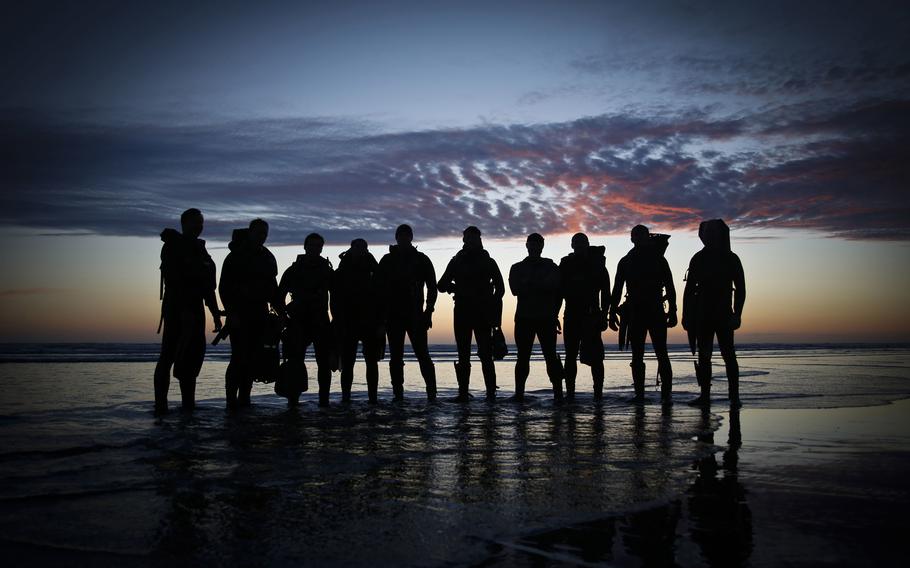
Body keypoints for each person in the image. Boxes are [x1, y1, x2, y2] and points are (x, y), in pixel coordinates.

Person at [154, 208, 222, 414]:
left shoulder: (201, 250)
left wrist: (215, 312)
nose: (198, 226)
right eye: (195, 222)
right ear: (184, 223)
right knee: (168, 355)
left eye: (201, 223)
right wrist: (184, 310)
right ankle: (161, 405)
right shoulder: (172, 246)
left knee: (192, 358)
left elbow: (208, 287)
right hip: (177, 308)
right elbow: (172, 279)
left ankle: (188, 405)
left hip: (196, 307)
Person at [609, 225, 677, 404]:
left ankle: (666, 395)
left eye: (642, 236)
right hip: (635, 312)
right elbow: (617, 289)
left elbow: (670, 286)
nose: (638, 239)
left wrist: (673, 310)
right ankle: (639, 395)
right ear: (631, 239)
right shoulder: (626, 261)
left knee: (661, 352)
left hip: (655, 310)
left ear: (647, 238)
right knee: (637, 355)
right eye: (635, 236)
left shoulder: (659, 260)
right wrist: (611, 312)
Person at [683, 219, 745, 407]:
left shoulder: (731, 258)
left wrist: (737, 314)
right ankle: (705, 395)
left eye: (711, 232)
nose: (707, 235)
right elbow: (688, 290)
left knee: (729, 355)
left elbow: (741, 288)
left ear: (719, 234)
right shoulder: (697, 258)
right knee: (704, 355)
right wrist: (686, 316)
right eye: (705, 232)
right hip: (702, 313)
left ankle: (734, 397)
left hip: (724, 313)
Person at [438, 226, 505, 401]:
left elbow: (501, 288)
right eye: (468, 238)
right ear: (464, 240)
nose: (471, 242)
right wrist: (455, 289)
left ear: (479, 240)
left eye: (474, 238)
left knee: (485, 354)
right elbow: (441, 284)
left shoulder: (488, 261)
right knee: (463, 354)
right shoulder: (457, 261)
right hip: (462, 312)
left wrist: (492, 305)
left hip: (482, 313)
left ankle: (490, 393)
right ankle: (463, 393)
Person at [219, 218, 279, 409]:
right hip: (239, 313)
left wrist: (281, 313)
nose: (262, 236)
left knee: (253, 358)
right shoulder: (236, 256)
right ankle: (230, 400)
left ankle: (245, 398)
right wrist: (231, 313)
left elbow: (273, 288)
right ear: (250, 232)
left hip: (260, 313)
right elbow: (224, 288)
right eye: (258, 232)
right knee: (238, 357)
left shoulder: (267, 257)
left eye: (264, 233)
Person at [375, 224, 438, 401]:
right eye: (400, 235)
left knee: (423, 355)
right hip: (393, 316)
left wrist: (429, 311)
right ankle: (398, 394)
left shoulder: (421, 259)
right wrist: (381, 317)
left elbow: (433, 287)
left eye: (406, 235)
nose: (403, 238)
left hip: (416, 315)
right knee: (395, 357)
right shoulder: (387, 260)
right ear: (396, 237)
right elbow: (378, 290)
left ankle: (432, 393)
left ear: (411, 237)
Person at [277, 233, 335, 407]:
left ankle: (324, 401)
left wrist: (335, 319)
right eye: (312, 245)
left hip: (320, 321)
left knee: (324, 365)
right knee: (295, 363)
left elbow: (337, 295)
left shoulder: (326, 270)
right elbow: (279, 296)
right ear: (305, 247)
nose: (315, 249)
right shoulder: (294, 270)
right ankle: (293, 402)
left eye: (318, 246)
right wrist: (284, 319)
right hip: (298, 322)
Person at [508, 233, 564, 401]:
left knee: (551, 357)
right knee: (523, 357)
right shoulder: (517, 267)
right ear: (526, 245)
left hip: (546, 318)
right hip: (524, 318)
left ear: (542, 246)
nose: (533, 247)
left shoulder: (551, 267)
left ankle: (558, 394)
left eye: (537, 244)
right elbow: (515, 289)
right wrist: (540, 285)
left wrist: (554, 314)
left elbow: (556, 290)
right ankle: (519, 394)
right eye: (531, 244)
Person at [559, 233, 610, 401]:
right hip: (571, 314)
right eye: (576, 243)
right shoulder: (566, 264)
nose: (579, 245)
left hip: (592, 315)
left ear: (587, 244)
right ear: (572, 245)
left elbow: (606, 291)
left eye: (582, 242)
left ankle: (598, 394)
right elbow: (558, 292)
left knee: (596, 358)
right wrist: (554, 315)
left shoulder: (597, 263)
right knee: (570, 355)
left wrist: (604, 314)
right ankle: (570, 393)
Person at [333, 238, 383, 404]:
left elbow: (382, 296)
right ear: (351, 248)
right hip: (348, 321)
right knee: (347, 363)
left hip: (370, 321)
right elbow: (334, 298)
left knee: (371, 362)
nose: (361, 250)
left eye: (364, 247)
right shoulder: (342, 269)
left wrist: (381, 323)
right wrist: (337, 320)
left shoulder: (374, 269)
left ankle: (373, 398)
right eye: (357, 247)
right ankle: (345, 397)